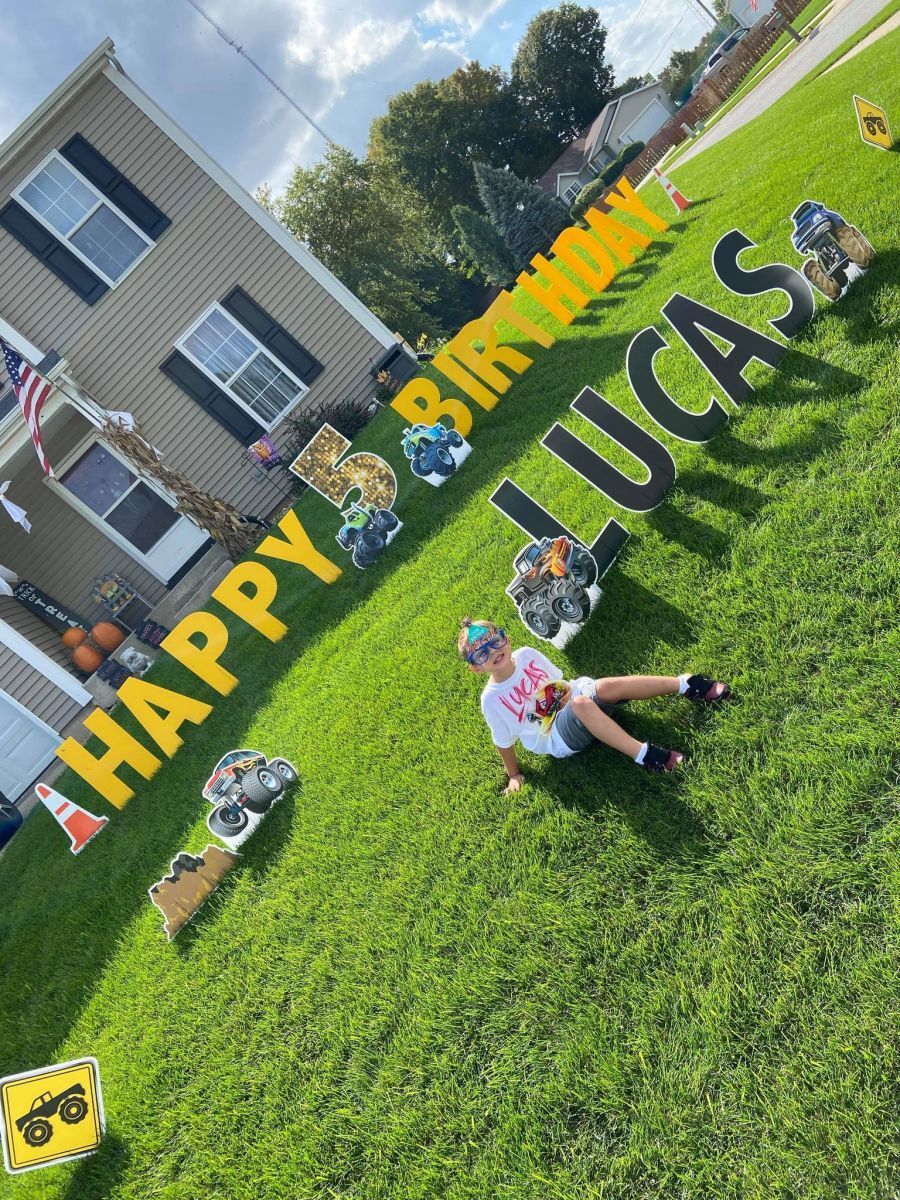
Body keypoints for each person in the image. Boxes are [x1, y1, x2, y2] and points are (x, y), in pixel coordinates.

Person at [458, 618, 731, 794]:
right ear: (475, 668)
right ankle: (645, 756)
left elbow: (561, 681)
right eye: (482, 652)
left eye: (495, 641)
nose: (493, 651)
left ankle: (686, 684)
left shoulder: (527, 654)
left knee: (604, 687)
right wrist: (514, 774)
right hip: (556, 735)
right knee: (581, 704)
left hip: (576, 698)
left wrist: (573, 698)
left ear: (506, 638)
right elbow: (502, 742)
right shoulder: (491, 699)